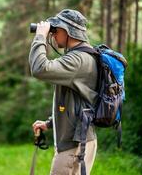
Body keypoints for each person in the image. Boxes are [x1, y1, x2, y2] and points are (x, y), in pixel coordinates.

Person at [29, 9, 98, 175]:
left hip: (74, 145)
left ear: (68, 32)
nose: (53, 35)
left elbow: (39, 68)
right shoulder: (82, 56)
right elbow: (76, 101)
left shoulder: (78, 59)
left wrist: (40, 36)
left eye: (56, 30)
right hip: (79, 139)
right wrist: (49, 123)